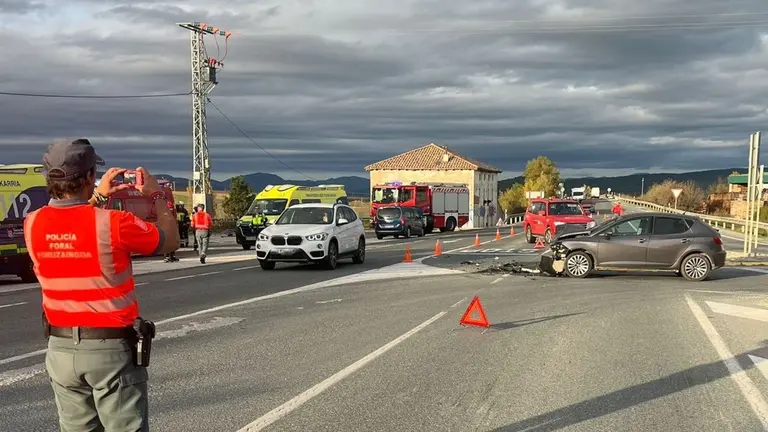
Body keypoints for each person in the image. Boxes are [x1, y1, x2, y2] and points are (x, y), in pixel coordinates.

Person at [24, 138, 180, 432]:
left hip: (60, 349)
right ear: (89, 177)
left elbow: (71, 221)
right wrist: (158, 195)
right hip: (110, 351)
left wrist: (94, 197)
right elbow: (169, 240)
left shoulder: (32, 223)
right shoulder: (114, 222)